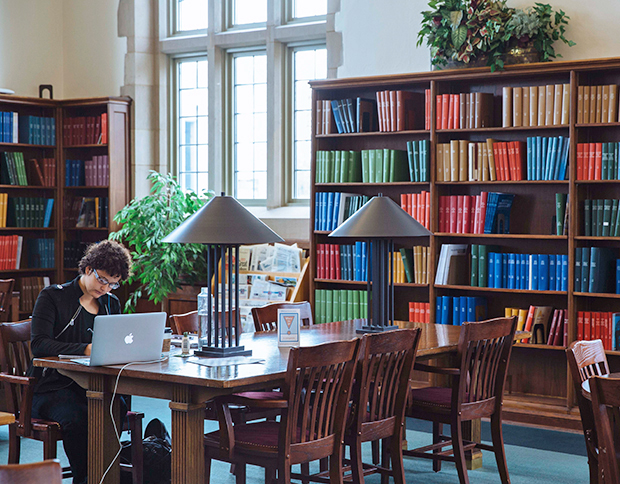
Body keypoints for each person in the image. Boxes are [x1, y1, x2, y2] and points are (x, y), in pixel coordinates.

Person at [28, 240, 132, 484]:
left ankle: (105, 474)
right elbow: (39, 345)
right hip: (51, 386)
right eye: (102, 280)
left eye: (113, 284)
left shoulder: (111, 304)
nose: (106, 288)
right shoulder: (53, 296)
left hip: (91, 385)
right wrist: (85, 349)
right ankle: (85, 478)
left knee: (118, 405)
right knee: (77, 417)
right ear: (88, 269)